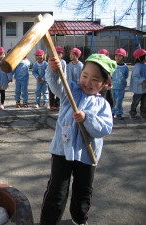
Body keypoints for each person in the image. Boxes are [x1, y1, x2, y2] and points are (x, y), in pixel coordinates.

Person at [40, 54, 116, 225]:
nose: (87, 82)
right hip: (62, 152)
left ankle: (79, 219)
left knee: (83, 192)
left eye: (95, 79)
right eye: (85, 75)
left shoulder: (103, 105)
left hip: (87, 156)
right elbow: (56, 85)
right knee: (56, 192)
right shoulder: (71, 91)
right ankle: (49, 221)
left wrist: (87, 118)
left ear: (106, 84)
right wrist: (53, 70)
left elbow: (104, 129)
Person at [111, 48, 129, 120]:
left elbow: (126, 75)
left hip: (121, 87)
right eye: (116, 56)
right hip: (112, 87)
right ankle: (112, 112)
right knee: (112, 101)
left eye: (120, 56)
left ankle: (119, 113)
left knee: (119, 101)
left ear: (123, 57)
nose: (117, 58)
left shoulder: (125, 67)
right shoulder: (113, 64)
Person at [129, 48, 146, 119]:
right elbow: (135, 77)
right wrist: (143, 81)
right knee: (136, 102)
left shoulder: (144, 65)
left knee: (144, 103)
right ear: (141, 57)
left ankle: (143, 113)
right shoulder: (137, 66)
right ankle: (133, 112)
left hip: (144, 89)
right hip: (138, 89)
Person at [49, 46, 66, 111]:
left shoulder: (63, 62)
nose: (58, 55)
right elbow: (49, 71)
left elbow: (64, 72)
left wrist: (64, 80)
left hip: (59, 81)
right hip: (52, 80)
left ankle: (57, 105)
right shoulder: (51, 61)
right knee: (51, 93)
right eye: (57, 53)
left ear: (62, 55)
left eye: (60, 53)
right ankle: (52, 105)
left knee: (60, 93)